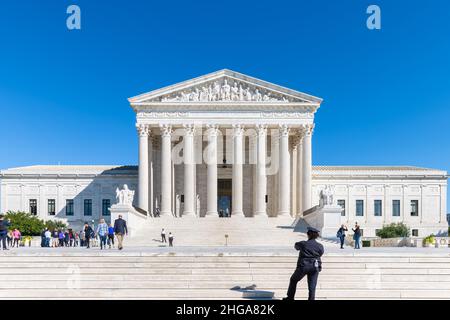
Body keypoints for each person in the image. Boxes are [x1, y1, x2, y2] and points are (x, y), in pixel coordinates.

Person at [284, 227, 324, 300]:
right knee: (312, 286)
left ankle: (290, 298)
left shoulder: (303, 244)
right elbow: (321, 254)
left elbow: (296, 246)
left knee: (293, 280)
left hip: (304, 266)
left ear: (308, 234)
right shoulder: (320, 246)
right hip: (315, 267)